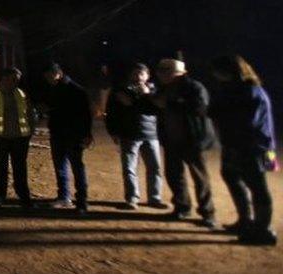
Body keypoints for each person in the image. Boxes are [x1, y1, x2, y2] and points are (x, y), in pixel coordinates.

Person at [209, 55, 278, 245]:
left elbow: (246, 121)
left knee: (257, 186)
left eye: (218, 70)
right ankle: (246, 220)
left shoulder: (250, 91)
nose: (215, 74)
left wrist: (219, 113)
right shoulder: (236, 90)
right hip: (239, 144)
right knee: (231, 175)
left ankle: (263, 230)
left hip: (254, 146)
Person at [151, 58, 218, 228]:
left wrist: (170, 103)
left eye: (166, 72)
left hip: (192, 139)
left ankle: (207, 213)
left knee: (199, 177)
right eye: (160, 72)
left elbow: (199, 107)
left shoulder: (193, 87)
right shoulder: (163, 88)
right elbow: (154, 108)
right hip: (171, 139)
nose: (161, 75)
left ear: (179, 73)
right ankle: (182, 207)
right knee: (174, 175)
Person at [105, 63, 166, 210]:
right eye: (136, 73)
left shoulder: (155, 91)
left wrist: (146, 95)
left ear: (148, 75)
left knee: (155, 168)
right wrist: (113, 131)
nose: (139, 77)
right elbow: (111, 112)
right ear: (130, 75)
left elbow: (159, 110)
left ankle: (154, 198)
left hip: (152, 135)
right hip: (129, 134)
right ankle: (132, 198)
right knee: (130, 168)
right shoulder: (120, 90)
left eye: (142, 74)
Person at [40, 63, 93, 213]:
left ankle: (81, 201)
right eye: (46, 77)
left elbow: (86, 115)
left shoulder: (76, 90)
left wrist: (87, 134)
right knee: (60, 167)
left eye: (50, 75)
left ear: (59, 73)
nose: (48, 78)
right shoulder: (53, 89)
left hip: (73, 135)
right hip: (57, 134)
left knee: (77, 167)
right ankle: (64, 197)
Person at [0, 67, 34, 209]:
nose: (16, 82)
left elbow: (29, 114)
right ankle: (0, 195)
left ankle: (24, 196)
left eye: (17, 80)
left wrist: (30, 132)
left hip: (19, 138)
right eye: (14, 79)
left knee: (20, 168)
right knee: (0, 168)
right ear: (4, 78)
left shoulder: (21, 94)